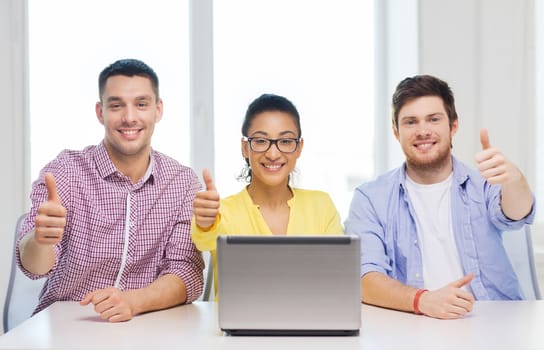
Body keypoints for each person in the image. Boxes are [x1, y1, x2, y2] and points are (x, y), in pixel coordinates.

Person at [16, 58, 204, 322]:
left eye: (141, 104)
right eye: (116, 105)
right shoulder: (65, 172)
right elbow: (33, 267)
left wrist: (133, 302)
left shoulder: (182, 183)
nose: (129, 117)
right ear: (100, 112)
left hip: (148, 325)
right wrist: (39, 239)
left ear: (158, 110)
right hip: (68, 326)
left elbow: (187, 274)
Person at [345, 74, 535, 320]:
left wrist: (515, 179)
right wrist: (421, 300)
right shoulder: (370, 198)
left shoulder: (483, 184)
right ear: (396, 132)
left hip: (490, 320)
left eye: (433, 119)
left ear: (453, 126)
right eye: (411, 122)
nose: (423, 131)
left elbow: (516, 214)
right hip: (413, 321)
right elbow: (365, 278)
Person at [191, 93, 344, 297]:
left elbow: (337, 278)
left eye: (286, 141)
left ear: (299, 148)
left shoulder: (321, 205)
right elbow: (203, 240)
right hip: (241, 326)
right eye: (261, 141)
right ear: (245, 147)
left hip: (310, 325)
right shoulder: (223, 212)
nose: (273, 154)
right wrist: (204, 222)